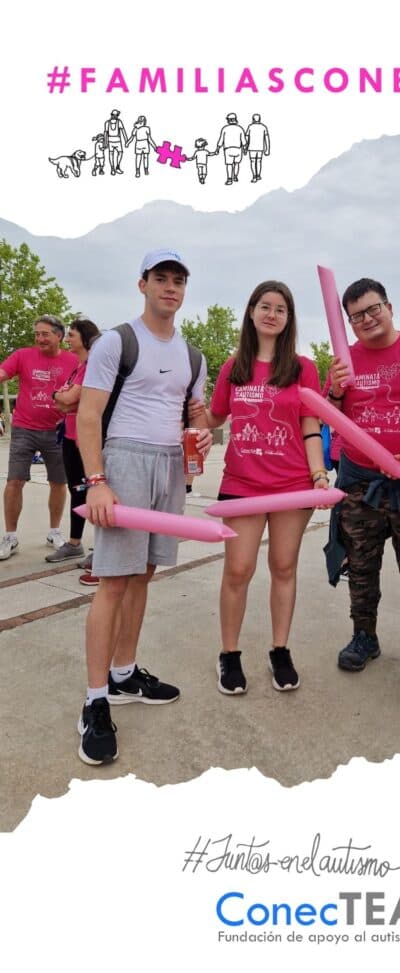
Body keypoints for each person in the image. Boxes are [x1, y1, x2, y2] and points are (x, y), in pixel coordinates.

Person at [75, 249, 211, 765]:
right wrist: (97, 482)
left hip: (171, 465)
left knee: (144, 574)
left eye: (178, 280)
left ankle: (125, 673)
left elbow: (197, 414)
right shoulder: (118, 340)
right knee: (113, 580)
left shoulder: (192, 355)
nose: (170, 287)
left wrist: (202, 434)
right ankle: (93, 701)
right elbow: (90, 416)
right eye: (161, 278)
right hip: (125, 459)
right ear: (143, 285)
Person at [189, 280, 328, 695]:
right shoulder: (235, 367)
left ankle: (279, 649)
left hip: (292, 485)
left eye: (280, 309)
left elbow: (310, 424)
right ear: (251, 312)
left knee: (284, 568)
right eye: (264, 306)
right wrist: (197, 416)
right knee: (238, 570)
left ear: (289, 318)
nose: (272, 314)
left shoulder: (304, 368)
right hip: (242, 484)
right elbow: (215, 418)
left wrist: (319, 475)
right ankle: (229, 655)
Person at [326, 278, 400, 684]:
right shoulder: (345, 360)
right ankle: (364, 637)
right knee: (361, 567)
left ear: (390, 307)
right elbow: (331, 416)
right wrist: (337, 392)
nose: (367, 319)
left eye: (372, 308)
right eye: (356, 315)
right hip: (360, 480)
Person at [0, 315, 78, 560]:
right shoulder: (23, 355)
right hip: (24, 428)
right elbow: (2, 372)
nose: (40, 338)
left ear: (59, 336)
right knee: (14, 481)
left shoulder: (73, 360)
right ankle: (10, 537)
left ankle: (54, 532)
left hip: (57, 431)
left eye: (45, 334)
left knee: (58, 483)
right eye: (37, 334)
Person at [46, 319, 101, 564]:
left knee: (96, 492)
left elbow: (69, 398)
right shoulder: (78, 367)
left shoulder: (92, 366)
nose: (67, 339)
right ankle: (74, 543)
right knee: (76, 490)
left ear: (86, 338)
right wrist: (61, 398)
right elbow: (63, 402)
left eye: (71, 335)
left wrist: (60, 396)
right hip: (69, 437)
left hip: (85, 439)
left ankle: (103, 549)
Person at [215, 113, 247, 185]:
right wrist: (245, 149)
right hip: (238, 149)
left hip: (228, 149)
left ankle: (229, 179)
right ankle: (235, 176)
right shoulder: (240, 128)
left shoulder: (225, 128)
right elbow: (244, 141)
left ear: (229, 120)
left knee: (229, 164)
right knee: (236, 164)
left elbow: (221, 140)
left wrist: (217, 148)